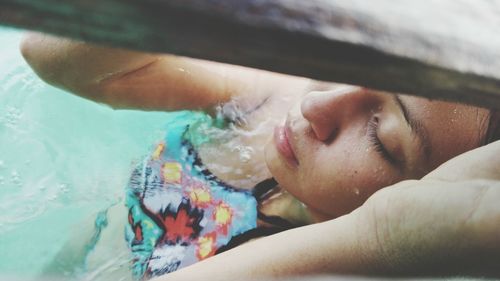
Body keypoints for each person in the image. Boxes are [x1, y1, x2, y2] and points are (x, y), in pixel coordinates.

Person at [20, 32, 500, 280]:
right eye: (362, 66)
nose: (315, 105)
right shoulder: (270, 103)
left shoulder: (341, 261)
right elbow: (50, 55)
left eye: (380, 135)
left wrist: (379, 236)